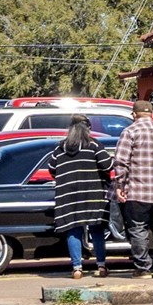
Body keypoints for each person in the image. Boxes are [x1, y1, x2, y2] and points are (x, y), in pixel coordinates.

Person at [46, 115, 115, 279]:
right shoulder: (93, 145)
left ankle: (77, 268)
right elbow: (108, 165)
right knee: (97, 230)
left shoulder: (61, 147)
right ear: (88, 128)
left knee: (73, 230)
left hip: (68, 195)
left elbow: (51, 168)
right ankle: (101, 266)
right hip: (93, 194)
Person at [114, 99, 153, 278]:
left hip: (138, 189)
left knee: (138, 227)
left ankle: (142, 268)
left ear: (134, 115)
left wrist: (120, 185)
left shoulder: (130, 131)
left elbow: (121, 161)